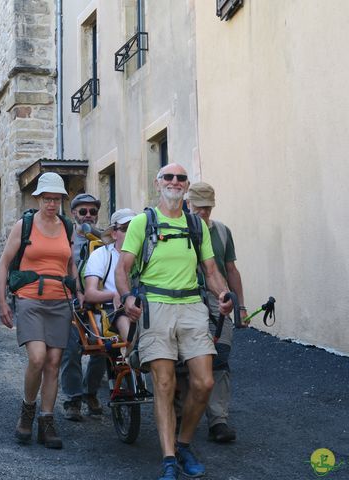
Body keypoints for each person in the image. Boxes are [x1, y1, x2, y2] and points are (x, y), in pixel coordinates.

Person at [115, 163, 233, 480]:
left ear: (186, 185)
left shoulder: (197, 225)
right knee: (164, 384)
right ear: (158, 184)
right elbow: (122, 270)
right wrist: (127, 298)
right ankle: (169, 458)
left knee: (204, 382)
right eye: (168, 177)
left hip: (192, 305)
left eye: (181, 178)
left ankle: (183, 444)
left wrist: (224, 294)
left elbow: (211, 271)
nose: (175, 182)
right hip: (156, 305)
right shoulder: (142, 223)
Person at [0, 172, 83, 450]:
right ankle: (27, 411)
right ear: (38, 198)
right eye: (47, 198)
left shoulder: (67, 227)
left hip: (60, 302)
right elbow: (4, 263)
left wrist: (78, 293)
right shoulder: (25, 225)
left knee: (54, 361)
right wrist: (1, 302)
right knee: (37, 358)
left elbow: (71, 265)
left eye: (56, 199)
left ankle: (47, 421)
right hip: (30, 299)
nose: (51, 204)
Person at [180, 182, 248, 443]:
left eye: (207, 208)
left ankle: (218, 420)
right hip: (185, 297)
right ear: (189, 205)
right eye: (198, 208)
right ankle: (181, 415)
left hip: (216, 298)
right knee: (186, 359)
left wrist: (239, 305)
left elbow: (230, 269)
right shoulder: (178, 228)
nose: (203, 213)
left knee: (220, 358)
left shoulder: (221, 231)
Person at [60, 193, 106, 420]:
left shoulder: (106, 236)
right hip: (71, 300)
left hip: (100, 301)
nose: (88, 215)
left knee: (104, 350)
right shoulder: (64, 237)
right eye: (83, 211)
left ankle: (90, 392)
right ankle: (73, 399)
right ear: (73, 214)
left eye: (93, 211)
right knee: (71, 350)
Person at [84, 209, 137, 343]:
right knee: (125, 320)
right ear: (114, 234)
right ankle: (134, 354)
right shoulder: (101, 254)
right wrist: (115, 294)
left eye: (135, 227)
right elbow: (89, 294)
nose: (131, 232)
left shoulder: (146, 254)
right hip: (112, 309)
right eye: (125, 229)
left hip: (143, 305)